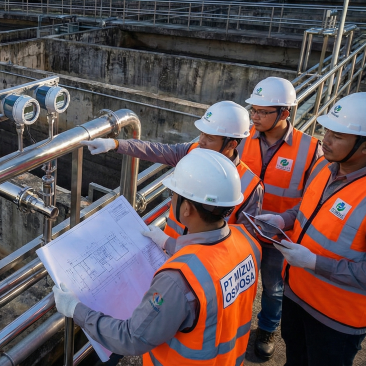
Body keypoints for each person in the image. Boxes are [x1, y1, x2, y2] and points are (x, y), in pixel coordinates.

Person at [53, 149, 261, 365]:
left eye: (174, 195)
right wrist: (169, 243)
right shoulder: (248, 242)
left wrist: (76, 310)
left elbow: (132, 337)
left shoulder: (177, 280)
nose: (171, 200)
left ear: (187, 208)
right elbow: (216, 264)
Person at [256, 92, 366, 366]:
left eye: (337, 136)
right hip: (297, 295)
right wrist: (283, 220)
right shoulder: (324, 166)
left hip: (337, 320)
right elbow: (309, 209)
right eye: (326, 131)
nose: (325, 139)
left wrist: (315, 263)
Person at [81, 100, 263, 249]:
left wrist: (170, 244)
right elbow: (157, 150)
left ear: (232, 144)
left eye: (210, 138)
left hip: (198, 268)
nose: (201, 141)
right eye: (202, 133)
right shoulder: (192, 151)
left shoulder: (250, 185)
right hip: (167, 252)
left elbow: (241, 246)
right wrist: (116, 144)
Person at [237, 76, 323, 359]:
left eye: (263, 112)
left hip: (279, 236)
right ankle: (236, 326)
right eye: (253, 110)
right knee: (237, 284)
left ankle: (267, 328)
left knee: (274, 288)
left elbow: (316, 200)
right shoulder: (242, 138)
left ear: (284, 113)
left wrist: (284, 221)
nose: (255, 117)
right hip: (243, 231)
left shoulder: (310, 150)